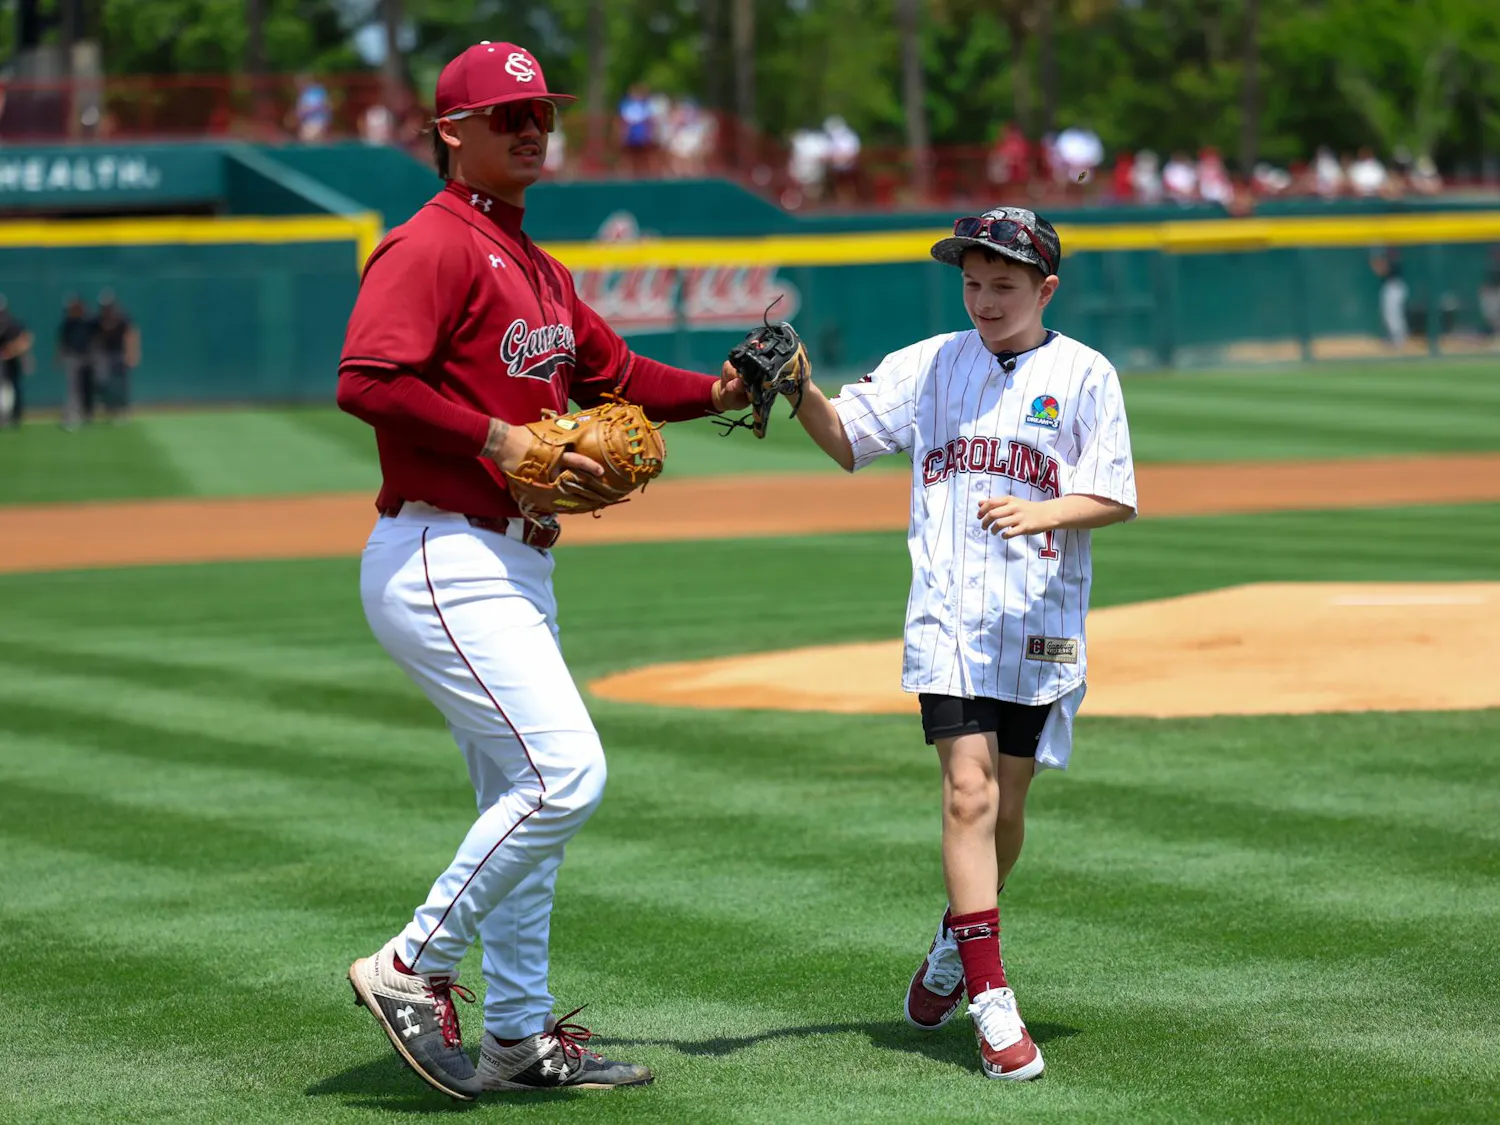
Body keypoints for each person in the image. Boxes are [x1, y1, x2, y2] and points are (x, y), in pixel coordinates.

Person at [337, 40, 750, 1102]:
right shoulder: (427, 246)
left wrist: (723, 386)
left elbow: (621, 377)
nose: (532, 128)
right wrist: (498, 439)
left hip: (514, 563)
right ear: (451, 133)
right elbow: (368, 380)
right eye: (508, 114)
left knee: (528, 803)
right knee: (567, 774)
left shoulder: (538, 266)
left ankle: (516, 1041)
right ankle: (410, 965)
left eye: (543, 115)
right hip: (442, 547)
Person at [772, 206, 1137, 1081]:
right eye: (972, 282)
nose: (983, 298)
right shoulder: (930, 363)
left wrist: (1045, 509)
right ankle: (991, 1000)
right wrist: (797, 390)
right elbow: (846, 441)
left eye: (1003, 286)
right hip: (948, 620)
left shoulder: (1086, 375)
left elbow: (1115, 493)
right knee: (966, 795)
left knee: (1006, 808)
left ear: (1044, 288)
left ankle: (953, 937)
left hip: (1042, 622)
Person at [91, 290, 139, 422]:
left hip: (119, 352)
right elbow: (94, 338)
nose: (106, 309)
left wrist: (132, 354)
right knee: (101, 379)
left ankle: (123, 409)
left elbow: (131, 335)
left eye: (109, 306)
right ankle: (107, 407)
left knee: (121, 382)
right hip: (103, 354)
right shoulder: (97, 320)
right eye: (104, 306)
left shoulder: (122, 318)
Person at [56, 294, 96, 429]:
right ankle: (72, 415)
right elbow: (62, 342)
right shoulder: (67, 323)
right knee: (72, 388)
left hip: (89, 357)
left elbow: (99, 336)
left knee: (88, 386)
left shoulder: (90, 321)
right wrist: (59, 357)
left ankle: (88, 413)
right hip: (72, 357)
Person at [0, 296, 34, 428]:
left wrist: (11, 351)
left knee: (9, 388)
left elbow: (26, 340)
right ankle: (7, 417)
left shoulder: (11, 323)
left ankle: (12, 416)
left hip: (10, 363)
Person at [1371, 248, 1408, 348]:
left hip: (1395, 286)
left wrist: (1377, 265)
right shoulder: (1387, 257)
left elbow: (1383, 270)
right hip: (1390, 287)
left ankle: (1399, 339)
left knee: (1393, 314)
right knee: (1388, 314)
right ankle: (1394, 338)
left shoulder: (1394, 261)